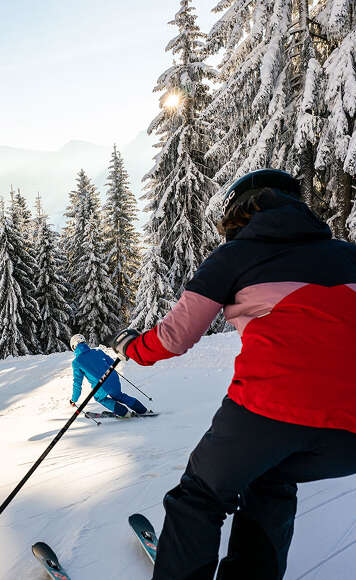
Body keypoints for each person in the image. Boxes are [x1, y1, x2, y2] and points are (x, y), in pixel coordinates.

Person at [112, 168, 356, 580]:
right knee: (270, 479)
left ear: (239, 213)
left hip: (268, 411)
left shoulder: (234, 256)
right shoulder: (349, 254)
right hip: (349, 437)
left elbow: (174, 338)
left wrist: (131, 348)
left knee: (199, 498)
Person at [69, 333, 148, 418]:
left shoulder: (77, 362)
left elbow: (77, 383)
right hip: (113, 377)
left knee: (99, 398)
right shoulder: (97, 351)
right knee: (118, 395)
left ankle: (124, 413)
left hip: (101, 384)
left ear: (74, 346)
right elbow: (111, 363)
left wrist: (74, 399)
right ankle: (142, 410)